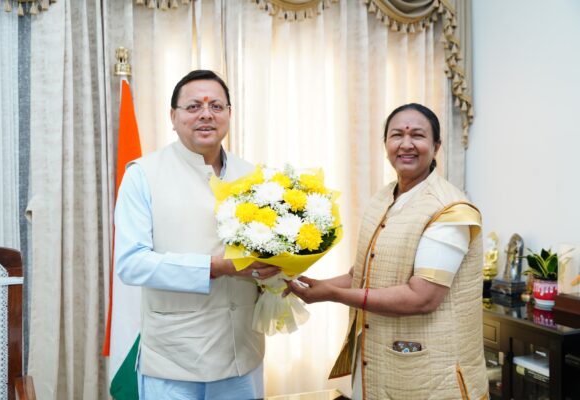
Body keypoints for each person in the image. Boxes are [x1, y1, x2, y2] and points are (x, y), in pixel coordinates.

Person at [287, 103, 489, 399]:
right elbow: (361, 275)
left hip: (431, 373)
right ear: (386, 145)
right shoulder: (383, 198)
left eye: (417, 135)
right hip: (374, 360)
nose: (406, 144)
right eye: (397, 135)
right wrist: (308, 284)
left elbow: (422, 297)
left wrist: (332, 295)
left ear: (436, 146)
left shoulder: (450, 210)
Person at [114, 70, 279, 400]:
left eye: (216, 106)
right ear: (173, 117)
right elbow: (132, 264)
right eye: (193, 107)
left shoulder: (256, 176)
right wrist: (215, 267)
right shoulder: (143, 175)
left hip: (242, 354)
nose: (206, 114)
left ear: (229, 114)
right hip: (173, 360)